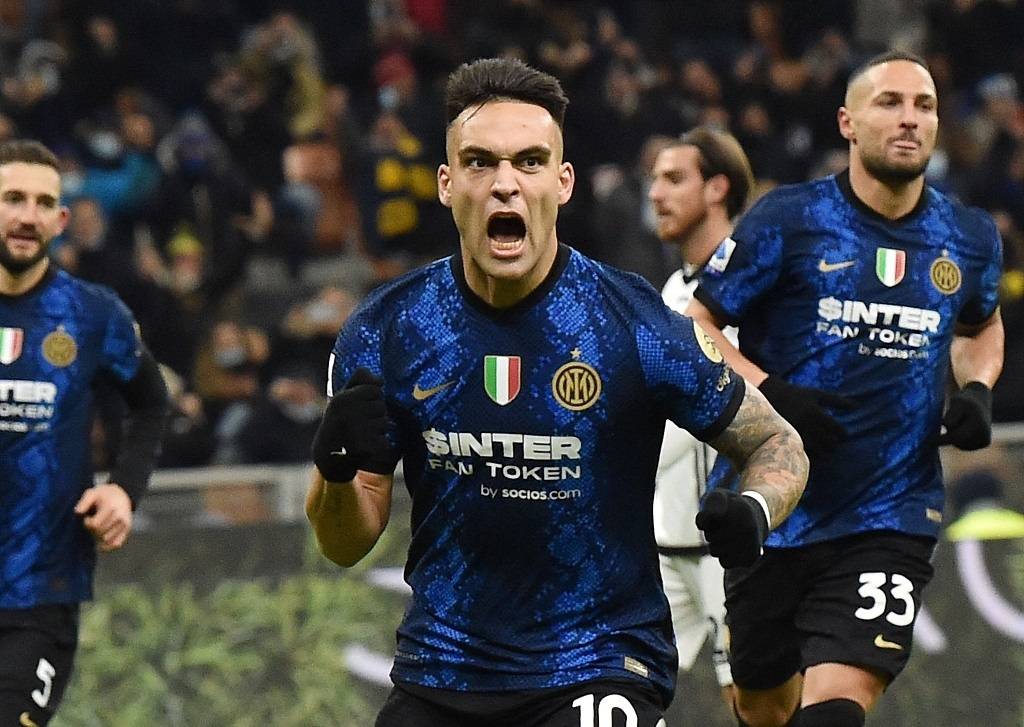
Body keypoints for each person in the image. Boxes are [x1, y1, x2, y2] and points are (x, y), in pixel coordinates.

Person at [306, 57, 809, 727]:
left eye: (530, 162)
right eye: (480, 163)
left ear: (562, 182)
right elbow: (343, 541)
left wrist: (755, 509)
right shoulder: (386, 329)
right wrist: (337, 473)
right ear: (447, 184)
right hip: (440, 672)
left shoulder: (635, 324)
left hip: (596, 667)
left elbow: (777, 441)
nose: (505, 184)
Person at [686, 50, 1005, 727]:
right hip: (775, 507)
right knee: (763, 706)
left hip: (890, 513)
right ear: (847, 123)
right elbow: (700, 323)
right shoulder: (789, 220)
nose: (910, 118)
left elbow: (981, 323)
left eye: (924, 105)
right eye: (890, 102)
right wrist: (771, 392)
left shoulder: (968, 236)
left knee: (833, 712)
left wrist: (976, 386)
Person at [0, 140, 169, 725]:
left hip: (39, 593)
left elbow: (152, 402)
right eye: (13, 199)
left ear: (62, 219)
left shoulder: (93, 315)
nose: (28, 215)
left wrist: (123, 489)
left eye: (44, 203)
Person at [647, 126, 755, 706]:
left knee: (753, 703)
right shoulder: (671, 289)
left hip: (732, 547)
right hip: (667, 545)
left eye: (673, 178)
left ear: (717, 188)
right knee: (615, 690)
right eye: (654, 180)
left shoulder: (752, 282)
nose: (656, 194)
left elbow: (714, 404)